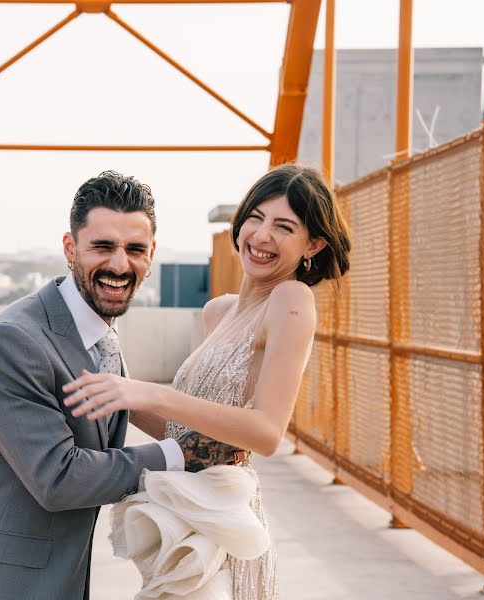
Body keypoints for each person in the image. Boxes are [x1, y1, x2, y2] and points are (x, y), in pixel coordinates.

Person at [0, 171, 245, 600]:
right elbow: (60, 478)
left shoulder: (97, 336)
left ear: (151, 255)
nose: (118, 264)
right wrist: (181, 455)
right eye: (102, 247)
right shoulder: (12, 341)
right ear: (70, 248)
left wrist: (224, 434)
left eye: (134, 249)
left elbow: (131, 413)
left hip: (55, 578)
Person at [63, 164, 352, 599]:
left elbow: (266, 433)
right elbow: (190, 434)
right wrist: (109, 390)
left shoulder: (292, 300)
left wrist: (153, 392)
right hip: (185, 514)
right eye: (255, 217)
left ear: (313, 244)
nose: (261, 236)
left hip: (225, 525)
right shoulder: (219, 311)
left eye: (284, 227)